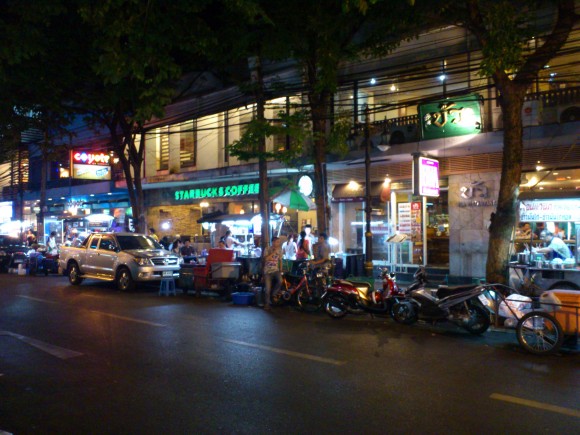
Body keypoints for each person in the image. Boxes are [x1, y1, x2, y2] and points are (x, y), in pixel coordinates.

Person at [262, 236, 283, 310]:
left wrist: (281, 269)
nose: (278, 243)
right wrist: (273, 252)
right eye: (277, 242)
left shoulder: (280, 250)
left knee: (280, 281)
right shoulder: (267, 249)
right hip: (267, 271)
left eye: (278, 242)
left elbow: (280, 260)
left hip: (276, 270)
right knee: (267, 289)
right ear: (273, 242)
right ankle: (267, 304)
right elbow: (266, 259)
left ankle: (274, 294)